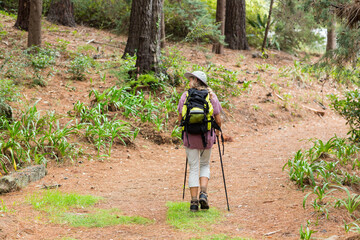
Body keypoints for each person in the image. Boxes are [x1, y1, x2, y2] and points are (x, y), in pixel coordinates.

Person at [177, 71, 222, 212]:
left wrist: (183, 130)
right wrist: (217, 132)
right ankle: (203, 193)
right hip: (206, 137)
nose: (189, 81)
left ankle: (194, 202)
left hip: (190, 137)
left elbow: (180, 119)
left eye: (191, 78)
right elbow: (218, 119)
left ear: (195, 80)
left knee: (194, 168)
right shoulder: (211, 96)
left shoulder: (186, 96)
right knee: (204, 165)